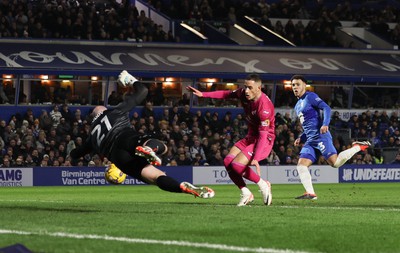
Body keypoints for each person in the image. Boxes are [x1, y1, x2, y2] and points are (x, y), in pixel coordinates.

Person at [70, 70, 214, 199]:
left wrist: (78, 149)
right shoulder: (114, 112)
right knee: (163, 147)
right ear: (102, 111)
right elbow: (143, 91)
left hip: (120, 159)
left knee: (156, 177)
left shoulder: (92, 137)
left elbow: (76, 154)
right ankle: (150, 149)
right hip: (124, 138)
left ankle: (181, 188)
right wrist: (131, 80)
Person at [187, 74, 274, 206]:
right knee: (228, 161)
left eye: (250, 88)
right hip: (251, 136)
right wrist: (204, 95)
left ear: (259, 88)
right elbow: (226, 94)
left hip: (265, 139)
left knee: (237, 165)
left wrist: (256, 158)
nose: (246, 90)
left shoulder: (264, 107)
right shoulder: (243, 94)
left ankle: (263, 185)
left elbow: (263, 135)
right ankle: (246, 193)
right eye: (245, 87)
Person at [291, 75, 371, 200]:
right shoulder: (297, 106)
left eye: (298, 84)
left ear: (304, 85)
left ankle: (357, 147)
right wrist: (302, 138)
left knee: (335, 163)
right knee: (301, 165)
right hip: (310, 140)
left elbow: (326, 107)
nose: (295, 87)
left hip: (321, 136)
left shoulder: (310, 96)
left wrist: (325, 124)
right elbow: (309, 125)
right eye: (293, 85)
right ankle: (310, 193)